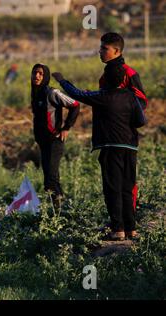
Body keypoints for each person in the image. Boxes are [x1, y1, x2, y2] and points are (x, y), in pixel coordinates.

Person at [52, 65, 141, 241]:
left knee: (112, 188)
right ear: (123, 80)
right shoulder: (131, 97)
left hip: (110, 146)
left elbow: (78, 94)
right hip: (130, 147)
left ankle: (118, 229)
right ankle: (131, 229)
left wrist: (62, 80)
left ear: (106, 80)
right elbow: (140, 120)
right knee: (127, 187)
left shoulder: (102, 96)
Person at [98, 32, 148, 214]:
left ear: (116, 51)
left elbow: (142, 102)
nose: (100, 51)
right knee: (111, 183)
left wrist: (123, 116)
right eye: (100, 47)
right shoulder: (105, 76)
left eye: (105, 48)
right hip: (107, 136)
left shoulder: (129, 73)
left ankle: (128, 224)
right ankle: (117, 224)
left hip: (124, 136)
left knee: (127, 183)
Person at [30, 63, 80, 209]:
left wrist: (66, 127)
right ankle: (58, 210)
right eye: (34, 73)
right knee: (50, 179)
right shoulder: (35, 92)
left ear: (45, 76)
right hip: (43, 142)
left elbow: (75, 105)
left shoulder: (52, 92)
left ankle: (58, 212)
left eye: (40, 73)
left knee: (51, 180)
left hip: (54, 141)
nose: (37, 76)